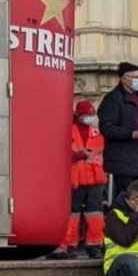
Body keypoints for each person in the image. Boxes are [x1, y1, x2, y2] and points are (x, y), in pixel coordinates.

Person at [51, 100, 108, 259]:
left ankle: (94, 246)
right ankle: (69, 245)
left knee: (95, 214)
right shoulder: (68, 131)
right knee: (72, 214)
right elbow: (60, 155)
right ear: (79, 115)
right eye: (88, 115)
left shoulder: (96, 133)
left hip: (95, 180)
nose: (90, 117)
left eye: (92, 114)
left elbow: (99, 155)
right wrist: (78, 155)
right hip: (74, 179)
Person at [97, 61, 138, 201]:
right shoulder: (113, 99)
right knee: (126, 199)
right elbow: (107, 128)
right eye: (136, 77)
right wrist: (133, 134)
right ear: (124, 78)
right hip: (120, 162)